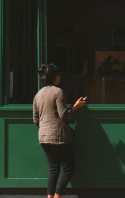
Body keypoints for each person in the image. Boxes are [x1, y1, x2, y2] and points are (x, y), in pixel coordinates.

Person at [33, 63, 87, 198]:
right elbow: (64, 114)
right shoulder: (58, 92)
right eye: (59, 74)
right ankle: (57, 197)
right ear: (56, 76)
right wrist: (75, 106)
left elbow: (35, 119)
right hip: (58, 136)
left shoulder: (38, 95)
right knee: (69, 168)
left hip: (43, 137)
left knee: (53, 169)